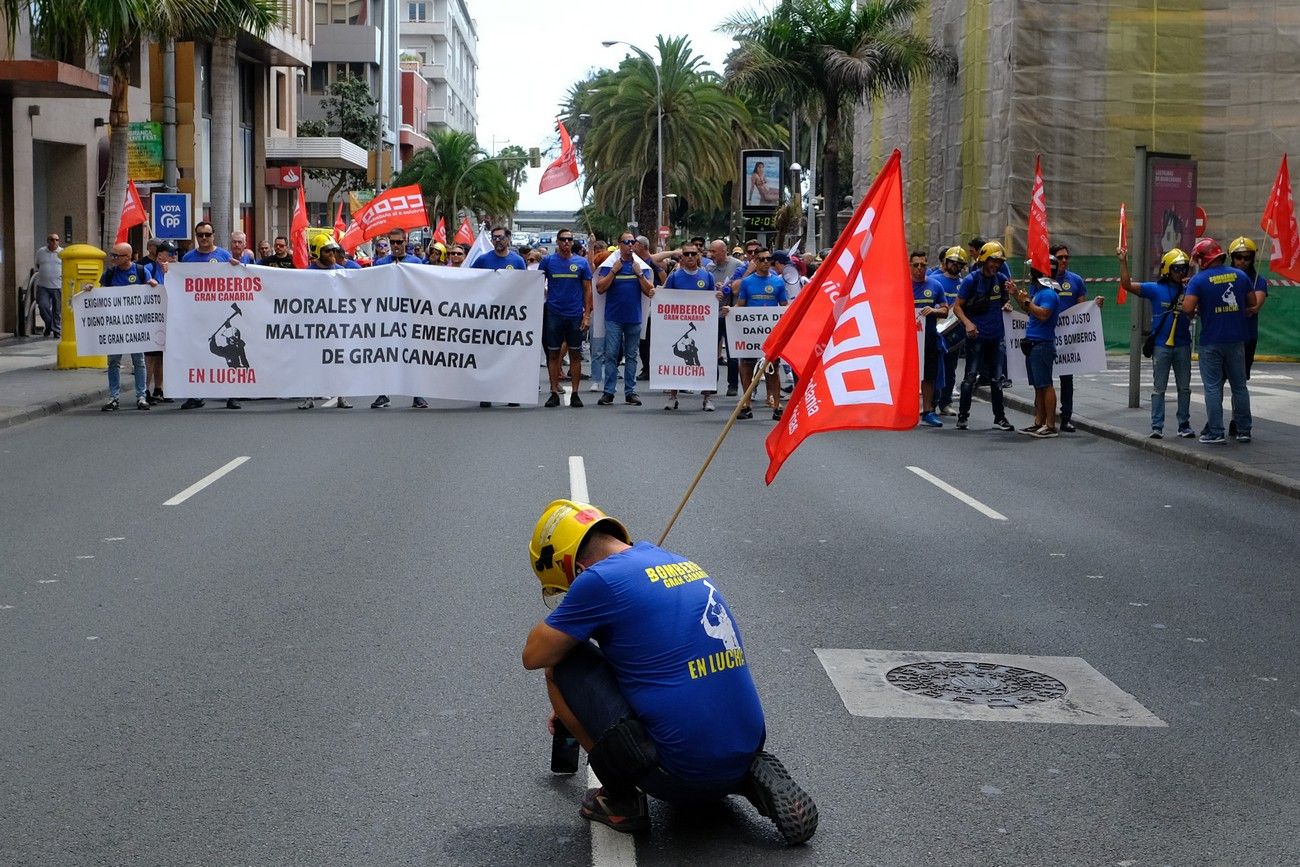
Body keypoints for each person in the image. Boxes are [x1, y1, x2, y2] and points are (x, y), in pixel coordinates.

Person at [522, 499, 818, 844]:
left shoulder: (597, 579)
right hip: (749, 742)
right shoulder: (677, 560)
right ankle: (740, 772)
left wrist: (573, 704)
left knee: (562, 660)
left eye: (565, 588)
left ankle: (620, 799)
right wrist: (580, 707)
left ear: (574, 566)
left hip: (676, 774)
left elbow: (534, 654)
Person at [1182, 237, 1259, 444]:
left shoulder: (1198, 280)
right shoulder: (1240, 276)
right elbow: (1251, 303)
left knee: (1213, 387)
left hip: (1211, 341)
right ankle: (1244, 430)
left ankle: (1216, 431)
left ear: (1203, 259)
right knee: (1239, 386)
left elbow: (1188, 309)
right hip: (1237, 339)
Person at [1117, 246, 1194, 438]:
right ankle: (1156, 426)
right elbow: (1127, 285)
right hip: (1161, 345)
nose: (1181, 272)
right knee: (1159, 388)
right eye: (1177, 268)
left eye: (1184, 268)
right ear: (1167, 269)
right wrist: (1123, 262)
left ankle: (1184, 424)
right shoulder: (1156, 289)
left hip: (1183, 345)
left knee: (1184, 387)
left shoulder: (1190, 289)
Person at [953, 241, 1015, 431]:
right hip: (976, 337)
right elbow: (957, 307)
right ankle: (962, 416)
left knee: (997, 379)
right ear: (984, 260)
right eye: (993, 261)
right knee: (970, 377)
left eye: (999, 261)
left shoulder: (1001, 279)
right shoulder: (971, 281)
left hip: (996, 337)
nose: (996, 265)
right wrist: (968, 323)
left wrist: (1008, 304)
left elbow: (1006, 302)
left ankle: (1000, 417)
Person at [180, 222, 240, 409]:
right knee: (196, 355)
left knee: (227, 355)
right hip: (196, 316)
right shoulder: (188, 258)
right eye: (200, 235)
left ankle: (232, 395)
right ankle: (195, 396)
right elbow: (181, 282)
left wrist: (237, 267)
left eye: (207, 234)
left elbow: (236, 281)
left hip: (220, 314)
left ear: (213, 235)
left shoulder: (223, 255)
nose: (204, 238)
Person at [1049, 244, 1104, 432]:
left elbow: (1082, 310)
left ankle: (1066, 418)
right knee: (1044, 380)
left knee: (1067, 379)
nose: (1064, 260)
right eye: (1059, 257)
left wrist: (1094, 305)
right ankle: (1044, 418)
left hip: (1068, 339)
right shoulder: (1042, 280)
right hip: (1047, 336)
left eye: (1066, 257)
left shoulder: (1076, 281)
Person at [595, 232, 654, 406]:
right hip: (613, 317)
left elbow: (649, 291)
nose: (630, 244)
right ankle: (609, 392)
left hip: (634, 318)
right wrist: (614, 271)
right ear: (619, 244)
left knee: (631, 356)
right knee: (612, 354)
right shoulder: (611, 264)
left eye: (632, 242)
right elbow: (600, 288)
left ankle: (630, 392)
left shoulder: (639, 266)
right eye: (626, 242)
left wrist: (639, 274)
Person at [662, 242, 721, 411]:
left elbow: (712, 299)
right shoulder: (674, 276)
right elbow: (665, 297)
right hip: (679, 326)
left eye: (693, 254)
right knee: (676, 359)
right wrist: (655, 294)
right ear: (681, 257)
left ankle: (707, 397)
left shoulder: (707, 276)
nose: (690, 257)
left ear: (698, 256)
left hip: (703, 327)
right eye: (686, 254)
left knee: (705, 359)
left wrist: (717, 295)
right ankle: (673, 395)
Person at [96, 242, 154, 411]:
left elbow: (151, 292)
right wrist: (90, 290)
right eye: (112, 255)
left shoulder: (141, 272)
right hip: (115, 326)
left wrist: (153, 286)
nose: (112, 258)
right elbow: (100, 294)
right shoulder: (110, 273)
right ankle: (113, 397)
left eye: (116, 256)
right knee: (113, 361)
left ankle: (141, 396)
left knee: (139, 361)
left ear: (128, 257)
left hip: (136, 326)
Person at [734, 248, 789, 420]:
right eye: (762, 259)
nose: (766, 262)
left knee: (772, 369)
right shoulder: (747, 282)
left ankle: (776, 405)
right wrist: (730, 312)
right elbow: (741, 305)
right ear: (755, 262)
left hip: (770, 334)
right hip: (750, 333)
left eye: (768, 259)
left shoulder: (778, 282)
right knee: (747, 368)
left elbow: (783, 306)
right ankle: (746, 404)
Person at [539, 230, 593, 408]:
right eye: (563, 240)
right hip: (553, 314)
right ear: (557, 241)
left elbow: (587, 290)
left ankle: (576, 394)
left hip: (575, 315)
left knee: (575, 354)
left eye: (570, 240)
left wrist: (586, 315)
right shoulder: (548, 261)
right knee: (553, 354)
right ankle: (553, 392)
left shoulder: (581, 262)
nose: (566, 242)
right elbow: (536, 284)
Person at [1012, 257, 1062, 437]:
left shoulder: (1048, 293)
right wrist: (1018, 295)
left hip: (1042, 344)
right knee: (1038, 385)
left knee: (1045, 384)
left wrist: (1027, 302)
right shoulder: (1040, 292)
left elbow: (1043, 314)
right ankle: (1038, 421)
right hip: (1034, 344)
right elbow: (1030, 310)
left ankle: (1050, 425)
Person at [1227, 236, 1269, 437]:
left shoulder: (1257, 281)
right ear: (1232, 258)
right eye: (1238, 257)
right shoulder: (1223, 278)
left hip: (1246, 337)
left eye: (1247, 258)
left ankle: (1238, 421)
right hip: (1223, 337)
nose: (1242, 262)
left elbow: (1254, 306)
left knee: (1240, 382)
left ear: (1253, 259)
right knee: (1215, 383)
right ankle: (1214, 423)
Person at [910, 250, 948, 427]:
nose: (919, 268)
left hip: (929, 338)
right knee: (907, 377)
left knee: (929, 376)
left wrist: (933, 310)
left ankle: (928, 411)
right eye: (916, 265)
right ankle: (906, 411)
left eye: (923, 265)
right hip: (907, 340)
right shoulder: (902, 285)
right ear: (910, 266)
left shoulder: (935, 285)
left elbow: (945, 309)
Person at [704, 239, 744, 396]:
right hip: (713, 314)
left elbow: (741, 288)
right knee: (711, 351)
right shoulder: (709, 268)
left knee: (732, 352)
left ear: (723, 251)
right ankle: (711, 384)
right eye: (710, 251)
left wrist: (729, 288)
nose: (711, 254)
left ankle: (732, 384)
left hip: (730, 313)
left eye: (714, 251)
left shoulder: (737, 266)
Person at [930, 246, 967, 415]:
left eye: (958, 263)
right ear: (945, 262)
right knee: (934, 368)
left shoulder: (964, 283)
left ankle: (945, 403)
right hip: (936, 332)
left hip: (955, 334)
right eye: (952, 262)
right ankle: (931, 402)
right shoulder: (935, 280)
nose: (954, 265)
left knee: (950, 370)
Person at [143, 241, 177, 403]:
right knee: (150, 357)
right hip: (152, 319)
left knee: (162, 356)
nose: (173, 257)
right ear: (161, 254)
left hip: (169, 318)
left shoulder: (175, 270)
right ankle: (145, 390)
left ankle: (159, 388)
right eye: (170, 254)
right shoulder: (149, 269)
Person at [34, 231, 63, 338]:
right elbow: (37, 264)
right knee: (42, 306)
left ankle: (56, 330)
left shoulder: (62, 253)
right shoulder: (41, 252)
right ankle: (49, 324)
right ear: (48, 241)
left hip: (58, 286)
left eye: (57, 240)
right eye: (52, 239)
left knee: (57, 310)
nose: (54, 242)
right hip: (43, 286)